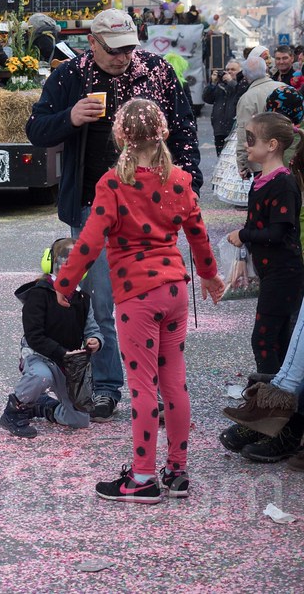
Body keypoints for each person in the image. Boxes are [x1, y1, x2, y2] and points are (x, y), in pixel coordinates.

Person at [26, 8, 201, 422]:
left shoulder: (156, 70)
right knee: (101, 302)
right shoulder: (71, 75)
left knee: (151, 300)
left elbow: (185, 128)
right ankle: (107, 387)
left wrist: (187, 183)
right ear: (93, 42)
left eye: (129, 49)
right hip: (93, 203)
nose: (123, 57)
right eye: (115, 50)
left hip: (152, 205)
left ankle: (154, 387)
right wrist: (69, 118)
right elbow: (35, 129)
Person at [55, 98, 223, 503]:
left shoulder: (112, 184)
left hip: (137, 297)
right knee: (174, 383)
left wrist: (64, 284)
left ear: (119, 136)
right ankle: (177, 472)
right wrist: (210, 276)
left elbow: (89, 241)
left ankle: (143, 477)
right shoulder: (180, 180)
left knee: (142, 388)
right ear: (163, 134)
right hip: (174, 291)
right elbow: (198, 235)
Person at [0, 238, 102, 438]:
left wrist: (95, 339)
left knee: (79, 420)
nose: (72, 271)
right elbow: (34, 336)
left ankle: (43, 407)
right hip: (40, 355)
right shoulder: (39, 293)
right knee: (41, 375)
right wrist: (62, 352)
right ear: (51, 265)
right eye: (66, 265)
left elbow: (92, 328)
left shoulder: (82, 298)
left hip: (67, 361)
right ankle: (14, 410)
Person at [226, 113, 303, 373]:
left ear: (271, 145)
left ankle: (270, 400)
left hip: (284, 273)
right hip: (271, 272)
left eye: (250, 138)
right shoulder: (260, 181)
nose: (246, 144)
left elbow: (277, 232)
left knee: (264, 339)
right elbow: (254, 224)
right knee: (277, 339)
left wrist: (244, 236)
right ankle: (281, 401)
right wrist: (241, 259)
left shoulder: (283, 183)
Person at [235, 53, 288, 180]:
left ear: (246, 75)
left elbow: (244, 132)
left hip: (262, 161)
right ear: (266, 70)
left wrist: (242, 164)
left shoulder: (247, 98)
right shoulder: (284, 88)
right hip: (287, 155)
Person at [203, 59, 247, 154]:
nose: (229, 72)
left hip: (235, 129)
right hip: (219, 129)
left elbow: (241, 94)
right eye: (227, 69)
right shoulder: (220, 85)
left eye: (233, 69)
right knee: (221, 157)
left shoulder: (243, 84)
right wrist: (213, 83)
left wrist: (231, 82)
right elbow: (207, 99)